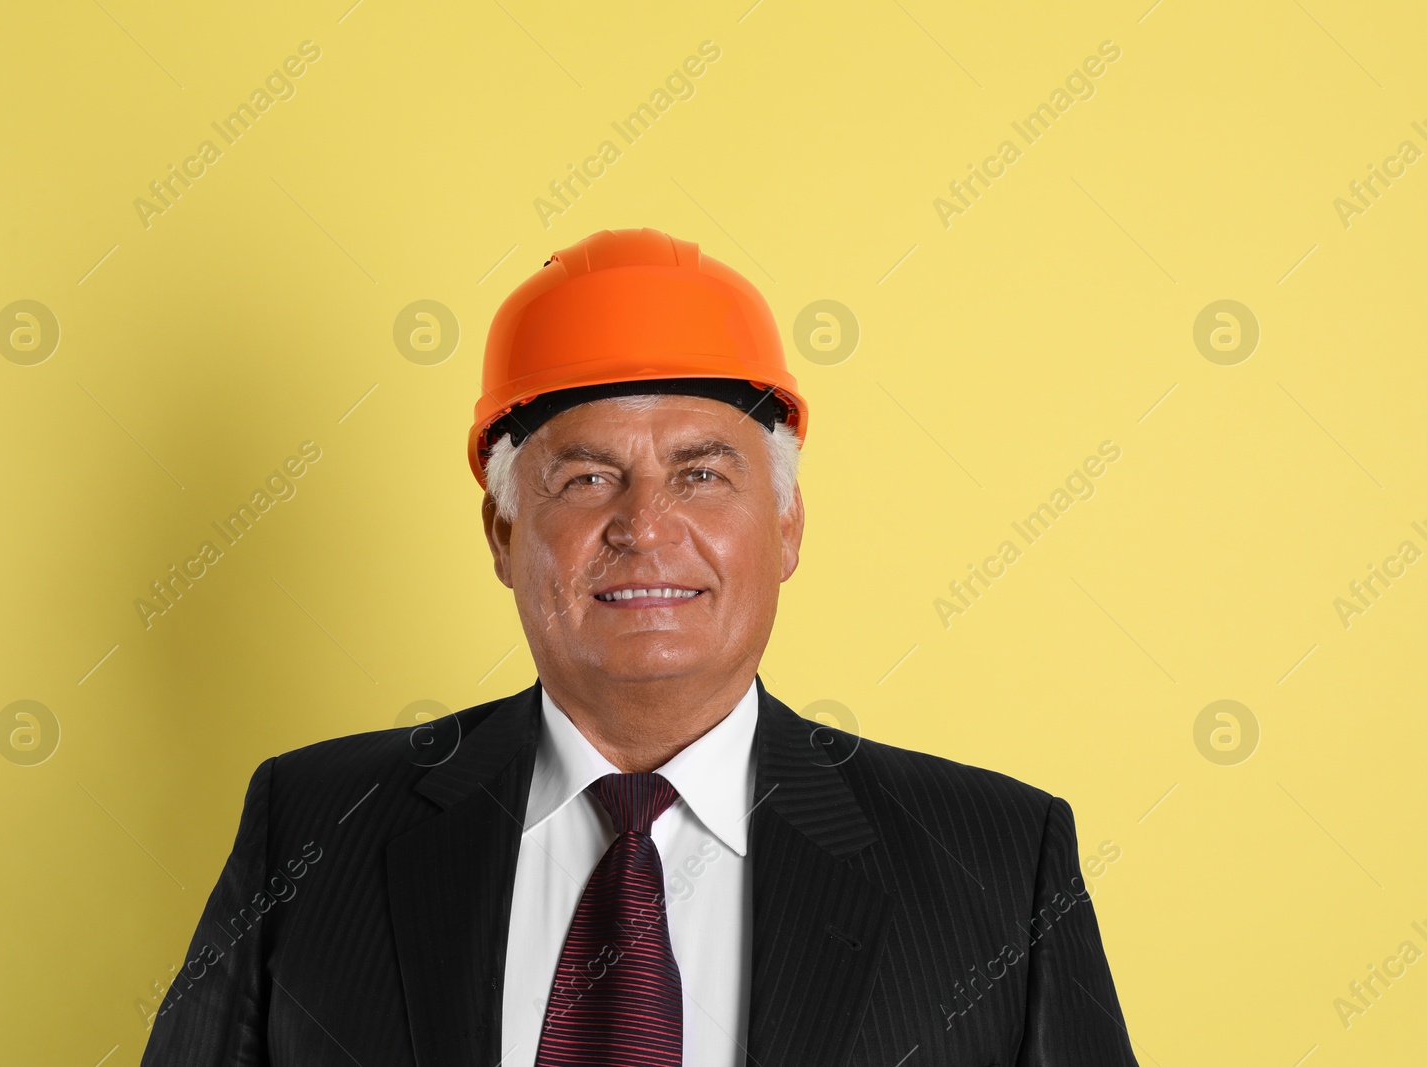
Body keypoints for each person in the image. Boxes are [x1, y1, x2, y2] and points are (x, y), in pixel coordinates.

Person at [139, 227, 1142, 1066]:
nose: (645, 525)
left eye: (701, 474)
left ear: (788, 525)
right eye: (584, 479)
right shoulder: (312, 829)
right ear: (501, 533)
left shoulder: (999, 866)